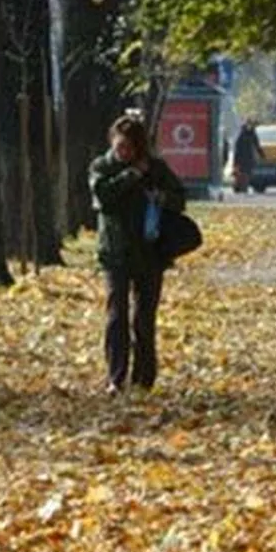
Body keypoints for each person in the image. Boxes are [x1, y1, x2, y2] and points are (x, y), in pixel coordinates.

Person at [89, 114, 186, 395]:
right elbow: (103, 197)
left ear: (140, 147)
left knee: (144, 318)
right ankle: (115, 377)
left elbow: (179, 198)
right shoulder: (102, 167)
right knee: (116, 315)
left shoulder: (156, 169)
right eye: (120, 147)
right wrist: (131, 175)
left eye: (129, 148)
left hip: (150, 254)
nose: (124, 153)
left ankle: (144, 377)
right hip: (115, 252)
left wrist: (162, 198)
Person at [231, 120, 265, 193]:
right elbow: (237, 148)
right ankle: (238, 187)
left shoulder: (252, 134)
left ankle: (244, 188)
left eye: (251, 125)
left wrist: (262, 155)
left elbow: (257, 145)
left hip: (249, 158)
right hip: (240, 158)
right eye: (248, 125)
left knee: (247, 174)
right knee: (240, 174)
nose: (250, 127)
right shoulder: (241, 134)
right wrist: (235, 161)